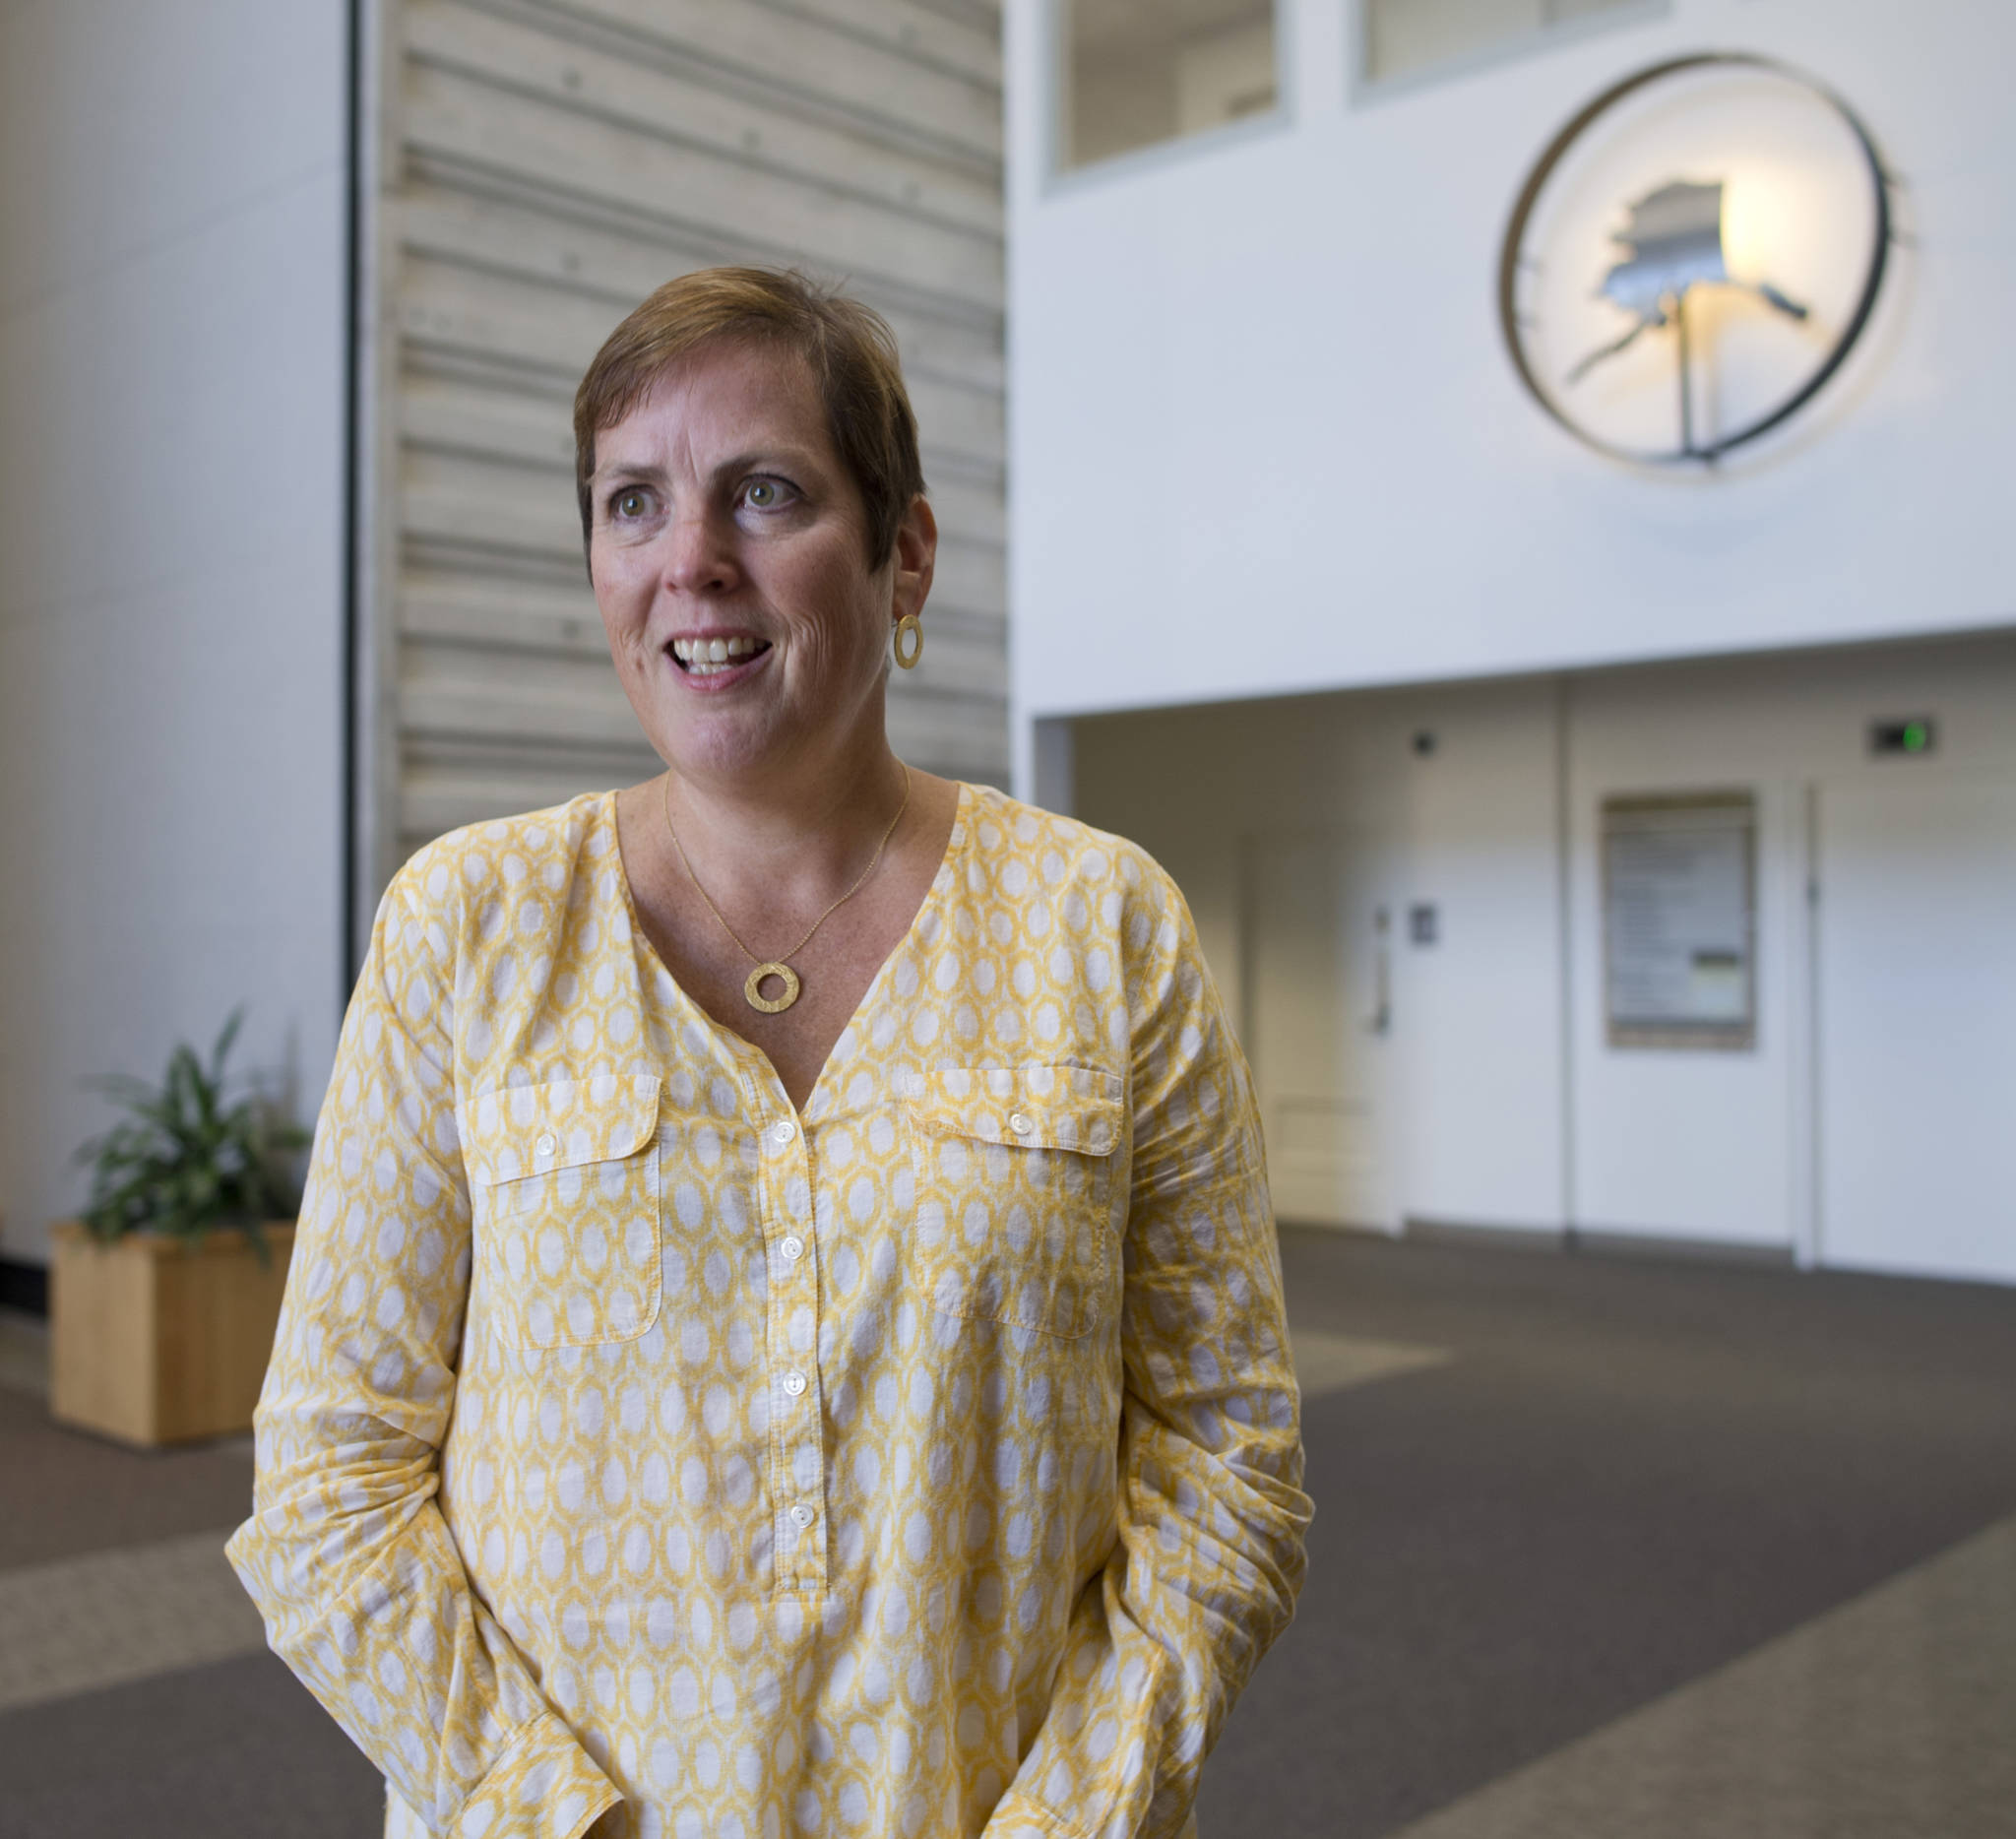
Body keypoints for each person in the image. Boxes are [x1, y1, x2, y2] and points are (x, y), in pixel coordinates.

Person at [228, 267, 1311, 1839]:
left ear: (906, 550)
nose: (692, 565)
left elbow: (1229, 1458)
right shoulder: (466, 930)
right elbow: (330, 1485)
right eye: (632, 505)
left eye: (765, 494)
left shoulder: (1102, 925)